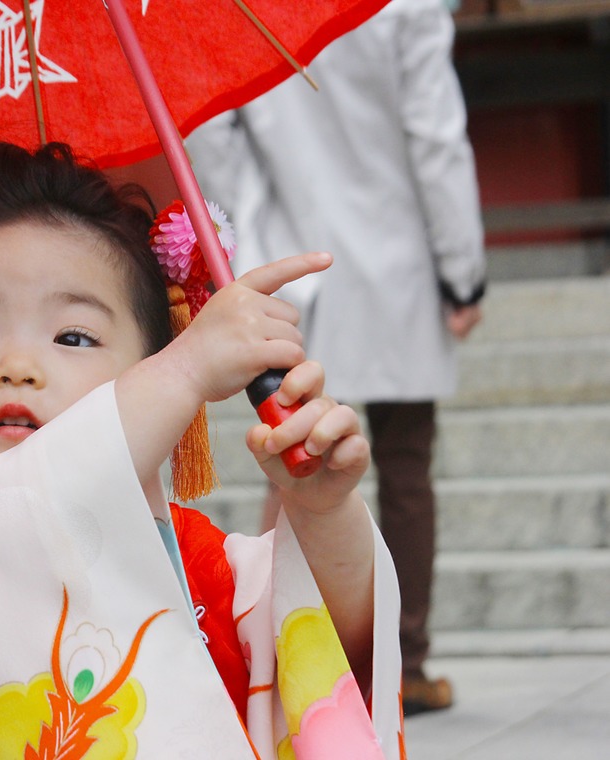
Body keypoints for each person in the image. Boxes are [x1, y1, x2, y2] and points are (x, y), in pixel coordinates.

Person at [0, 142, 405, 758]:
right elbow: (23, 516)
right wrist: (190, 365)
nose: (16, 366)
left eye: (73, 336)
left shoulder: (201, 566)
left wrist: (324, 514)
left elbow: (331, 650)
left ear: (156, 384)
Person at [187, 0, 486, 716]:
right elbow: (434, 134)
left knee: (292, 455)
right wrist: (463, 268)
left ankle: (274, 657)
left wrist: (237, 237)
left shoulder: (249, 9)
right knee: (406, 465)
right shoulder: (405, 7)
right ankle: (405, 665)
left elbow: (210, 130)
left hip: (293, 262)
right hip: (399, 261)